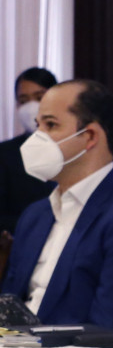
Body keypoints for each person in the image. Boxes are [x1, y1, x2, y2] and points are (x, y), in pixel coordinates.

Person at [0, 80, 113, 339]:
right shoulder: (34, 216)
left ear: (90, 136)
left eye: (51, 125)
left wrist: (28, 344)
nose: (36, 137)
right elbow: (8, 308)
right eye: (38, 126)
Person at [1, 67, 57, 233]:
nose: (32, 107)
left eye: (39, 98)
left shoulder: (76, 146)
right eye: (24, 101)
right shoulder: (5, 154)